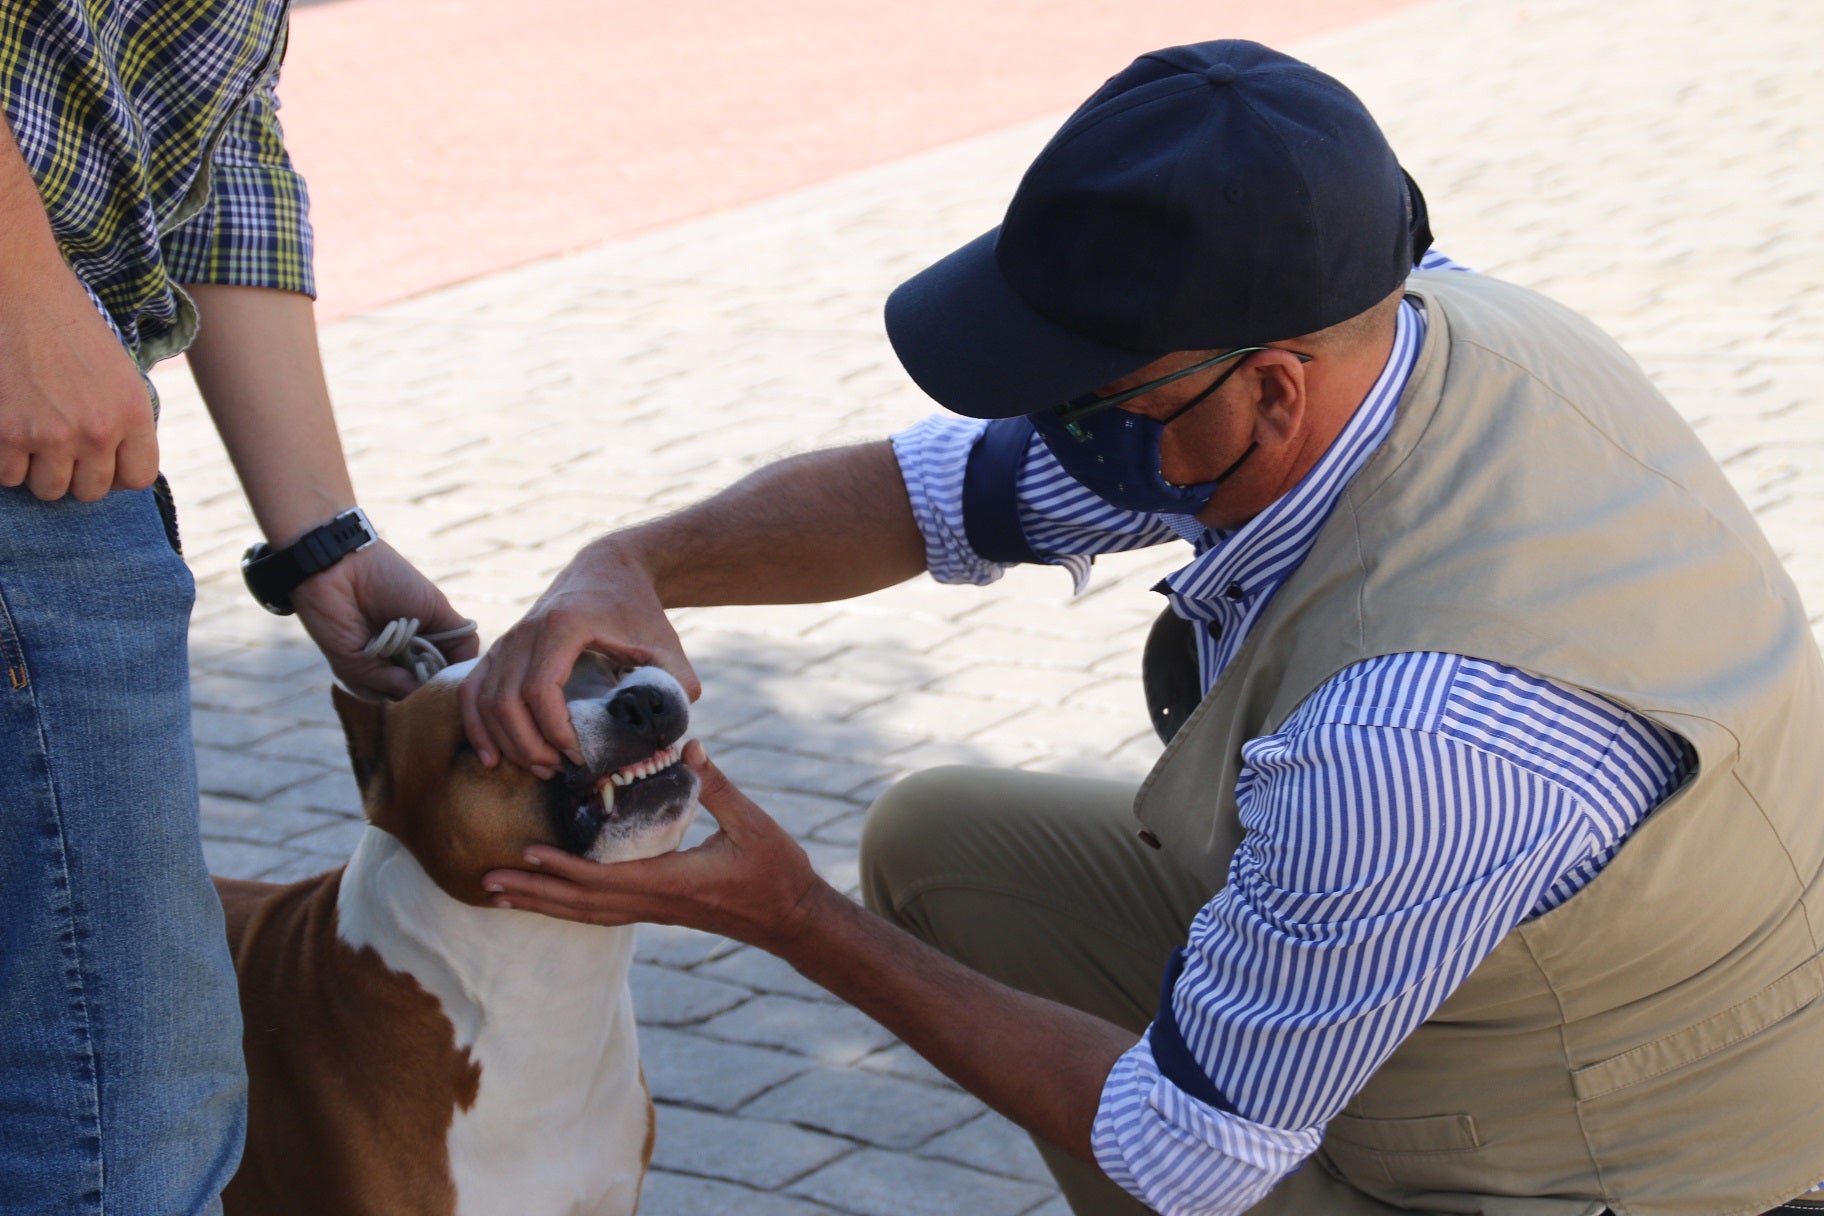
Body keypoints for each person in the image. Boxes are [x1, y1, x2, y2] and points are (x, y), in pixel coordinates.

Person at [467, 40, 1824, 1216]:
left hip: (1605, 1171)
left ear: (1274, 392)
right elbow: (942, 495)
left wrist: (792, 915)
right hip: (1494, 973)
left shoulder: (1413, 743)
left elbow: (1184, 1159)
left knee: (1174, 1112)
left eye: (1087, 398)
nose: (1059, 433)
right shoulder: (1395, 328)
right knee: (946, 850)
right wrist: (634, 562)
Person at [0, 4, 475, 1212]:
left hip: (59, 427)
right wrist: (17, 283)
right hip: (35, 440)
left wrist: (320, 530)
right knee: (120, 1114)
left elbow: (212, 118)